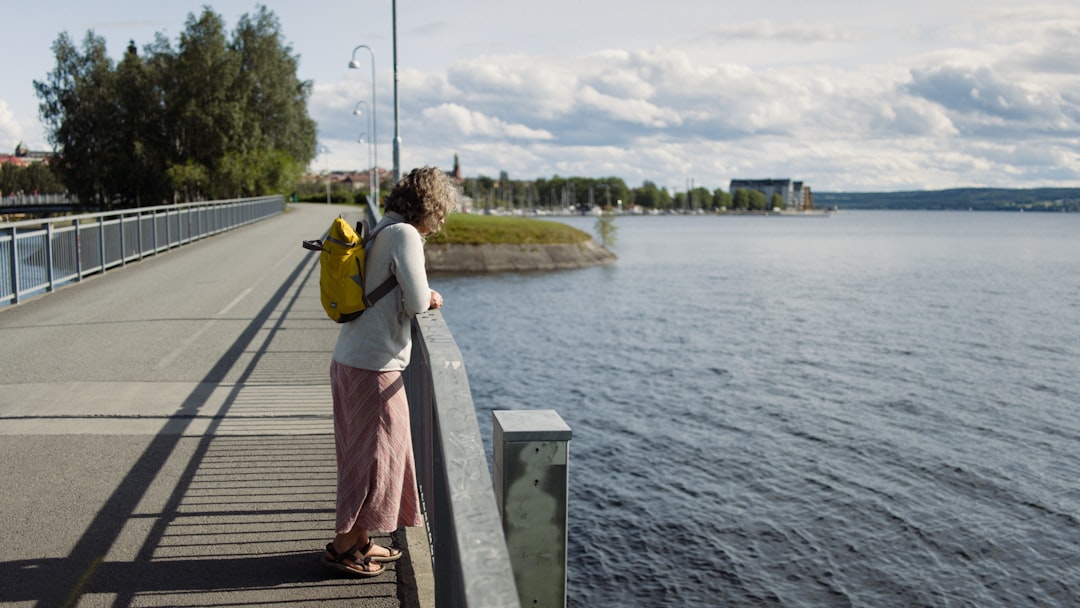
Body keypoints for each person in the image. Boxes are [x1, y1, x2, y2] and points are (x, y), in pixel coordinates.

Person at [321, 166, 455, 577]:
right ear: (428, 206)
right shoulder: (405, 235)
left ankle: (361, 540)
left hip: (351, 360)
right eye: (442, 211)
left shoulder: (383, 229)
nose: (443, 221)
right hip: (374, 367)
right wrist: (430, 296)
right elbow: (415, 301)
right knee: (379, 459)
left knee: (363, 456)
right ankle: (344, 547)